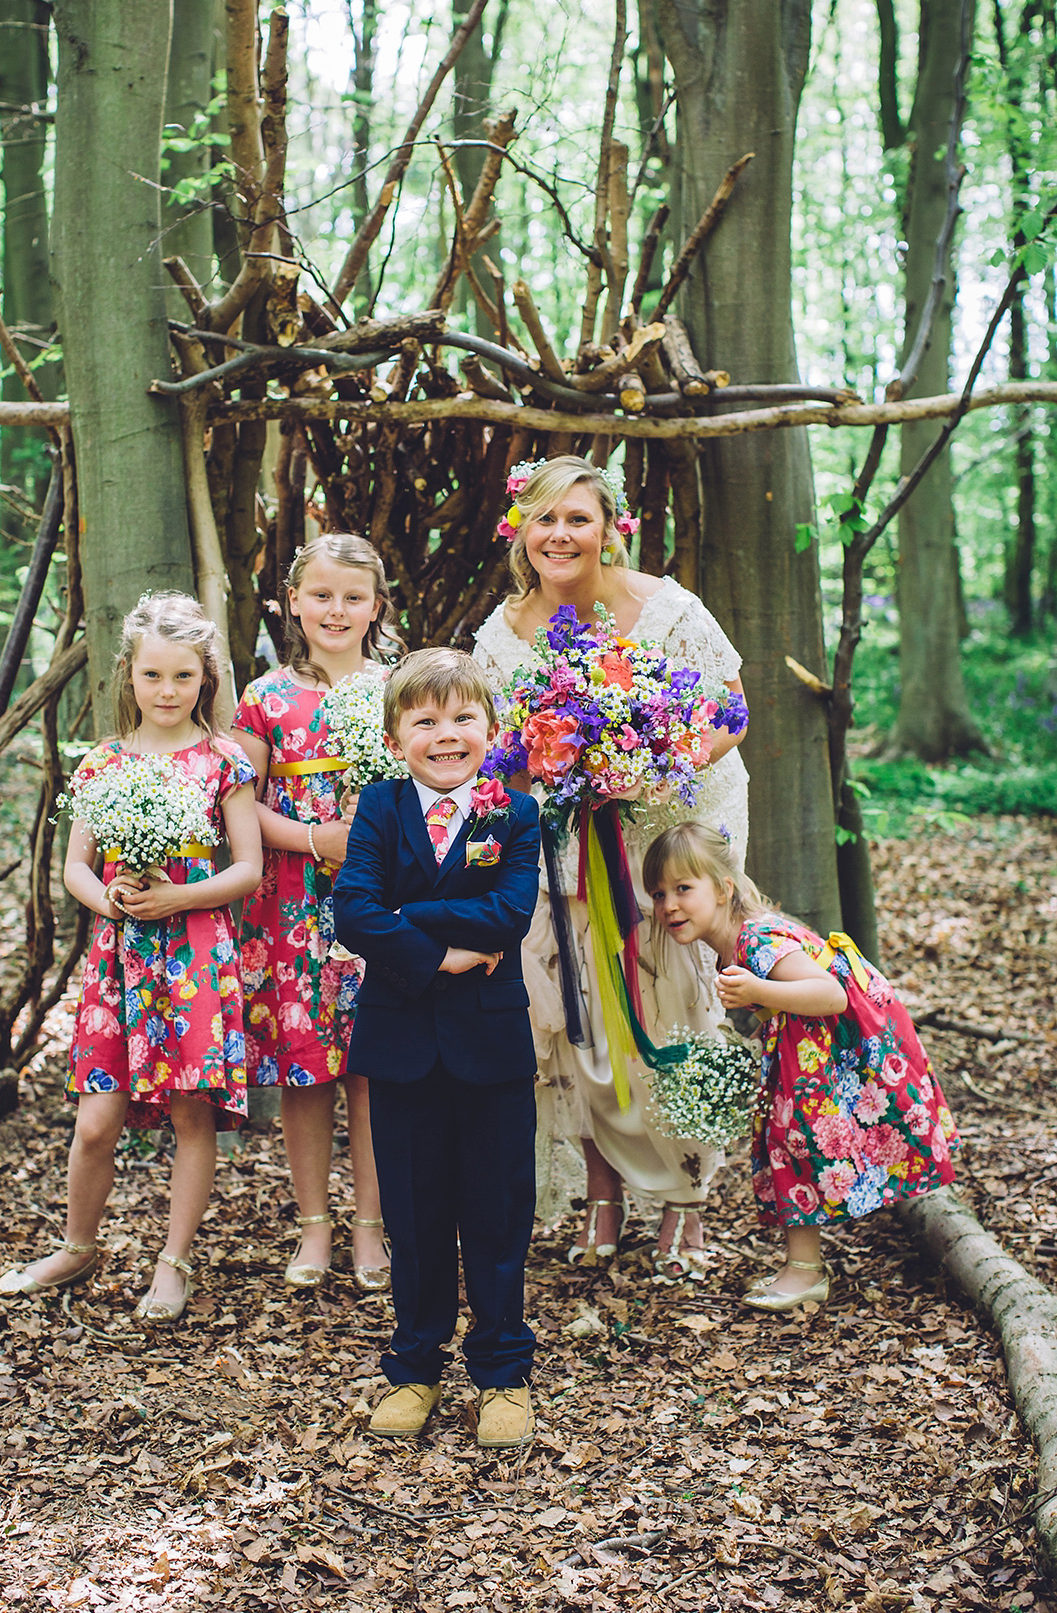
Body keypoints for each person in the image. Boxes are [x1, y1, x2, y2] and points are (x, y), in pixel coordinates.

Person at [472, 454, 749, 1275]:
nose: (560, 535)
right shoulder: (500, 632)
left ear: (610, 528)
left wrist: (648, 767)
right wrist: (547, 768)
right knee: (574, 1017)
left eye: (578, 519)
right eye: (545, 519)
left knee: (668, 1009)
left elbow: (730, 709)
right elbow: (498, 756)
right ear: (521, 530)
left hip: (666, 833)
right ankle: (603, 1196)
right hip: (563, 844)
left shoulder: (666, 610)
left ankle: (688, 1199)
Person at [0, 592, 263, 1323]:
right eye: (153, 676)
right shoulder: (104, 761)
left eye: (183, 676)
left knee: (188, 1113)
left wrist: (181, 899)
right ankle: (78, 1246)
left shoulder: (223, 761)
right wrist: (109, 901)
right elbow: (75, 867)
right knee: (94, 1121)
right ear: (130, 677)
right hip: (120, 958)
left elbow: (248, 869)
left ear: (205, 678)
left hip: (195, 954)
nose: (167, 691)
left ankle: (172, 1261)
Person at [333, 650, 542, 1448]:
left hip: (490, 1045)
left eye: (462, 719)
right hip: (403, 1042)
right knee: (415, 1217)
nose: (445, 735)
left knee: (496, 1214)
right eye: (424, 721)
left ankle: (501, 1374)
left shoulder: (514, 816)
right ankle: (415, 1366)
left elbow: (509, 914)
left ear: (490, 731)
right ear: (396, 738)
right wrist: (441, 952)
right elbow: (353, 911)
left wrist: (407, 918)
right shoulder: (381, 808)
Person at [645, 821, 960, 1311]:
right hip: (810, 1041)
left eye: (684, 889)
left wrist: (757, 993)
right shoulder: (737, 939)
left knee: (793, 1140)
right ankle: (804, 1266)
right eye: (659, 893)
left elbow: (829, 994)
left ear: (724, 888)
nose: (669, 906)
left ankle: (806, 1270)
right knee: (786, 1139)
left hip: (838, 1041)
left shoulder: (756, 939)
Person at [233, 534, 405, 1291]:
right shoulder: (264, 698)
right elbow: (241, 805)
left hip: (381, 897)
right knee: (305, 1072)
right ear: (293, 602)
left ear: (376, 605)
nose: (337, 610)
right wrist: (314, 836)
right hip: (294, 908)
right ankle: (314, 1226)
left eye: (353, 597)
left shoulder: (401, 687)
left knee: (372, 1068)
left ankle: (372, 1225)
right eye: (322, 596)